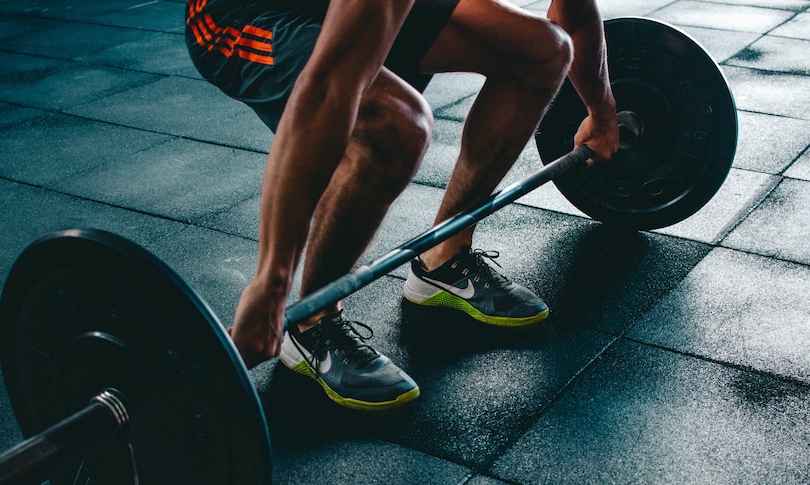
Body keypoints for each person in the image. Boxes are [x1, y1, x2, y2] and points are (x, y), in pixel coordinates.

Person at [186, 0, 618, 411]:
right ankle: (312, 324)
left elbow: (573, 16)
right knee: (397, 123)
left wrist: (601, 111)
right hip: (241, 14)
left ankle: (443, 257)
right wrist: (271, 283)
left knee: (543, 51)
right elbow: (330, 86)